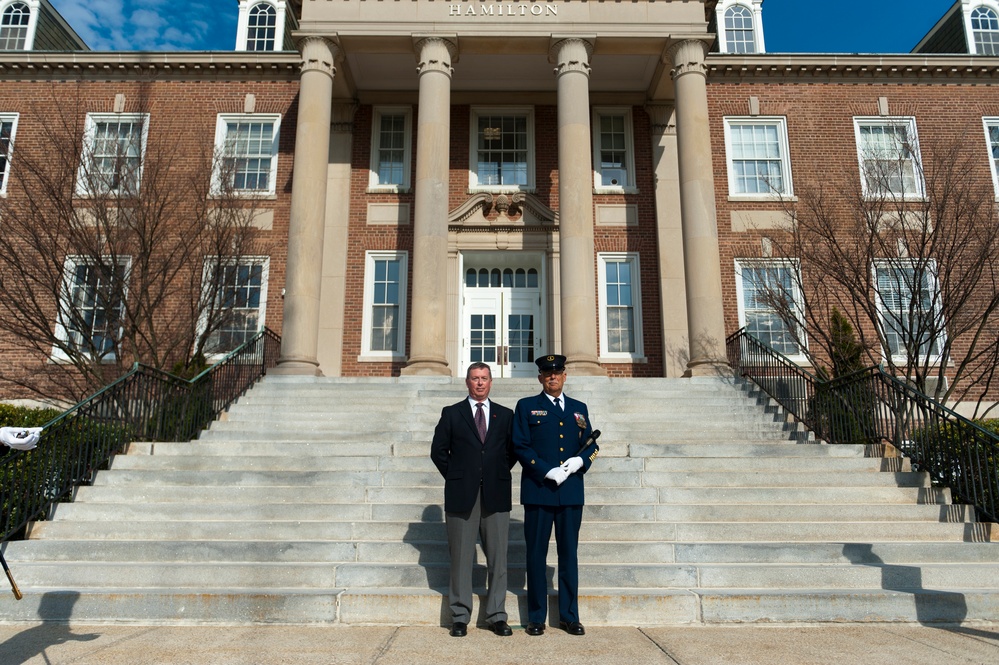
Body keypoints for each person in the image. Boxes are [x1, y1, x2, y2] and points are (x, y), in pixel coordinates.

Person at [513, 354, 598, 636]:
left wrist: (581, 462)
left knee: (568, 556)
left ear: (564, 376)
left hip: (571, 493)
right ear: (539, 378)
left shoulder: (578, 408)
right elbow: (520, 446)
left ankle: (569, 616)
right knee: (536, 555)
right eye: (547, 373)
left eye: (557, 372)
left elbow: (591, 445)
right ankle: (536, 617)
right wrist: (546, 471)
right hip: (539, 491)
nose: (552, 377)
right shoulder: (526, 407)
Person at [430, 362, 515, 637]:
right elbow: (438, 451)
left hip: (496, 494)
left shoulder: (506, 415)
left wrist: (495, 472)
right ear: (467, 382)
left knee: (498, 559)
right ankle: (459, 615)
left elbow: (511, 452)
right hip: (461, 495)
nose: (480, 383)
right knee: (461, 559)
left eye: (484, 378)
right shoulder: (452, 413)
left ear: (491, 382)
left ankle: (497, 615)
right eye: (475, 378)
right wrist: (457, 475)